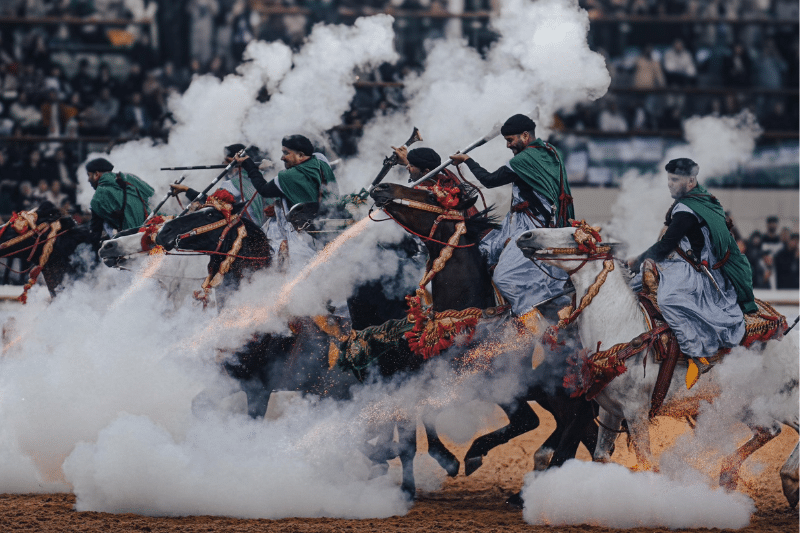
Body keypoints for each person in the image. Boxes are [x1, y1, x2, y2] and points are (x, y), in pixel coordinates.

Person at [628, 158, 756, 388]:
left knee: (669, 299)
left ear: (691, 180)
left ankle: (697, 354)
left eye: (675, 179)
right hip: (681, 263)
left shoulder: (688, 209)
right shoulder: (698, 200)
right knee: (633, 286)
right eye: (668, 179)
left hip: (695, 271)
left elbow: (666, 245)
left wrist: (636, 261)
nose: (669, 184)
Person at [449, 114, 574, 322]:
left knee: (504, 277)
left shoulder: (523, 161)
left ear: (525, 136)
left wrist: (467, 160)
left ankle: (535, 326)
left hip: (530, 229)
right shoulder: (550, 152)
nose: (508, 146)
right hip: (544, 225)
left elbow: (488, 180)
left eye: (510, 140)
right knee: (483, 252)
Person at [233, 135, 335, 271]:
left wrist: (249, 165)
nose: (282, 158)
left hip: (303, 242)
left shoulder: (288, 177)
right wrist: (278, 207)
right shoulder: (321, 160)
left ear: (300, 155)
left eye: (286, 153)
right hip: (325, 228)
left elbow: (263, 189)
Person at [170, 143, 266, 227]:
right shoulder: (259, 178)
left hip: (247, 232)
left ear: (238, 163)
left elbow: (210, 204)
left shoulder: (234, 183)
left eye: (228, 161)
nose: (223, 164)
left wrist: (186, 190)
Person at [85, 157, 155, 250]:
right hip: (153, 230)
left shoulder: (97, 198)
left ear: (96, 174)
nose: (88, 180)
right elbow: (153, 196)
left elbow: (95, 231)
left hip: (131, 242)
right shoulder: (130, 177)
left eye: (89, 175)